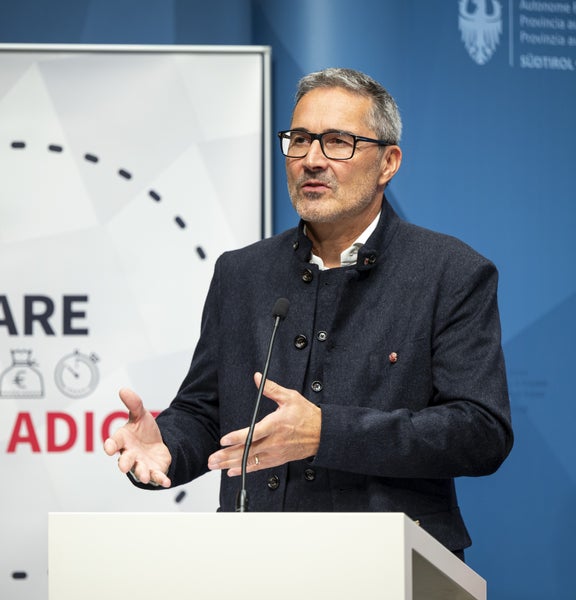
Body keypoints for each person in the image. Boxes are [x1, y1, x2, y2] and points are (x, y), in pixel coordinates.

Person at [103, 67, 513, 557]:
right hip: (254, 559)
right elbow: (207, 412)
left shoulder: (450, 272)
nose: (312, 160)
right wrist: (166, 445)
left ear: (388, 163)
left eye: (337, 142)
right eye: (299, 140)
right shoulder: (241, 273)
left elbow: (480, 431)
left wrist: (327, 433)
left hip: (392, 562)